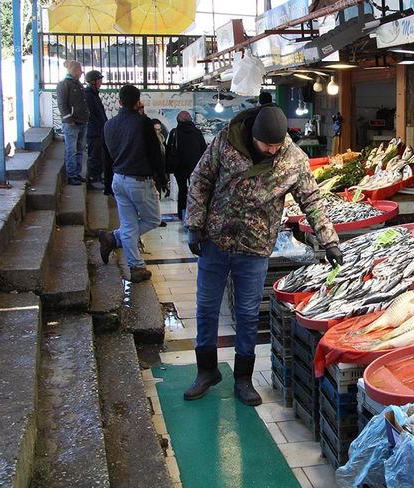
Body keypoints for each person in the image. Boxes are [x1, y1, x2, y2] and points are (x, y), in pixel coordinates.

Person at [183, 105, 343, 406]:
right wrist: (194, 224)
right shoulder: (225, 141)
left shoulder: (293, 159)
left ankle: (243, 378)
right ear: (252, 135)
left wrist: (329, 240)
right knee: (206, 308)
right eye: (266, 145)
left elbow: (311, 199)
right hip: (215, 241)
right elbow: (200, 180)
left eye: (276, 144)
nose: (271, 150)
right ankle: (206, 371)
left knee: (247, 314)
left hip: (254, 248)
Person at [98, 85, 167, 283]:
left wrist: (106, 183)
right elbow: (155, 154)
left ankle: (115, 239)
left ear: (119, 102)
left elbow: (106, 157)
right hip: (139, 181)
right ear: (138, 102)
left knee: (129, 223)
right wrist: (162, 179)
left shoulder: (108, 125)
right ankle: (133, 263)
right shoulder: (143, 123)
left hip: (118, 179)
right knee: (152, 220)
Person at [165, 111, 207, 223]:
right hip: (196, 168)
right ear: (190, 120)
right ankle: (195, 215)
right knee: (196, 192)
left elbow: (169, 150)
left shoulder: (175, 133)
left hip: (180, 168)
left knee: (182, 190)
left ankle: (182, 214)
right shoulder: (197, 133)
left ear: (178, 121)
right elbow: (204, 150)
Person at [55, 60, 89, 185]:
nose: (81, 73)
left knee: (79, 149)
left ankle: (77, 172)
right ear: (74, 71)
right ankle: (71, 175)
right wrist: (69, 119)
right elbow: (62, 104)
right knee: (72, 149)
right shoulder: (64, 85)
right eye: (80, 70)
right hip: (72, 123)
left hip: (82, 121)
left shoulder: (78, 84)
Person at [83, 69, 108, 190]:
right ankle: (93, 178)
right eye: (99, 80)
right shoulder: (89, 95)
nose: (101, 82)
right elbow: (91, 115)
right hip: (94, 132)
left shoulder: (93, 94)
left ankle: (97, 176)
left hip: (98, 130)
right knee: (95, 155)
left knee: (99, 154)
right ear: (93, 81)